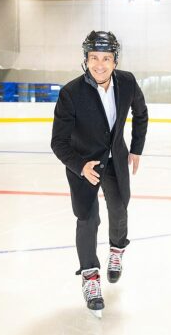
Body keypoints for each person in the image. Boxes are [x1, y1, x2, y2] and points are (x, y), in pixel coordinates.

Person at [51, 30, 148, 318]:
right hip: (84, 165)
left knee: (119, 209)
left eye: (106, 58)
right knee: (88, 218)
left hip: (116, 160)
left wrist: (136, 148)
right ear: (86, 60)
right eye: (94, 58)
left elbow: (141, 114)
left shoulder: (127, 82)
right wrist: (80, 166)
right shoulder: (71, 93)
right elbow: (58, 141)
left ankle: (117, 250)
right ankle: (91, 277)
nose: (100, 64)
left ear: (115, 61)